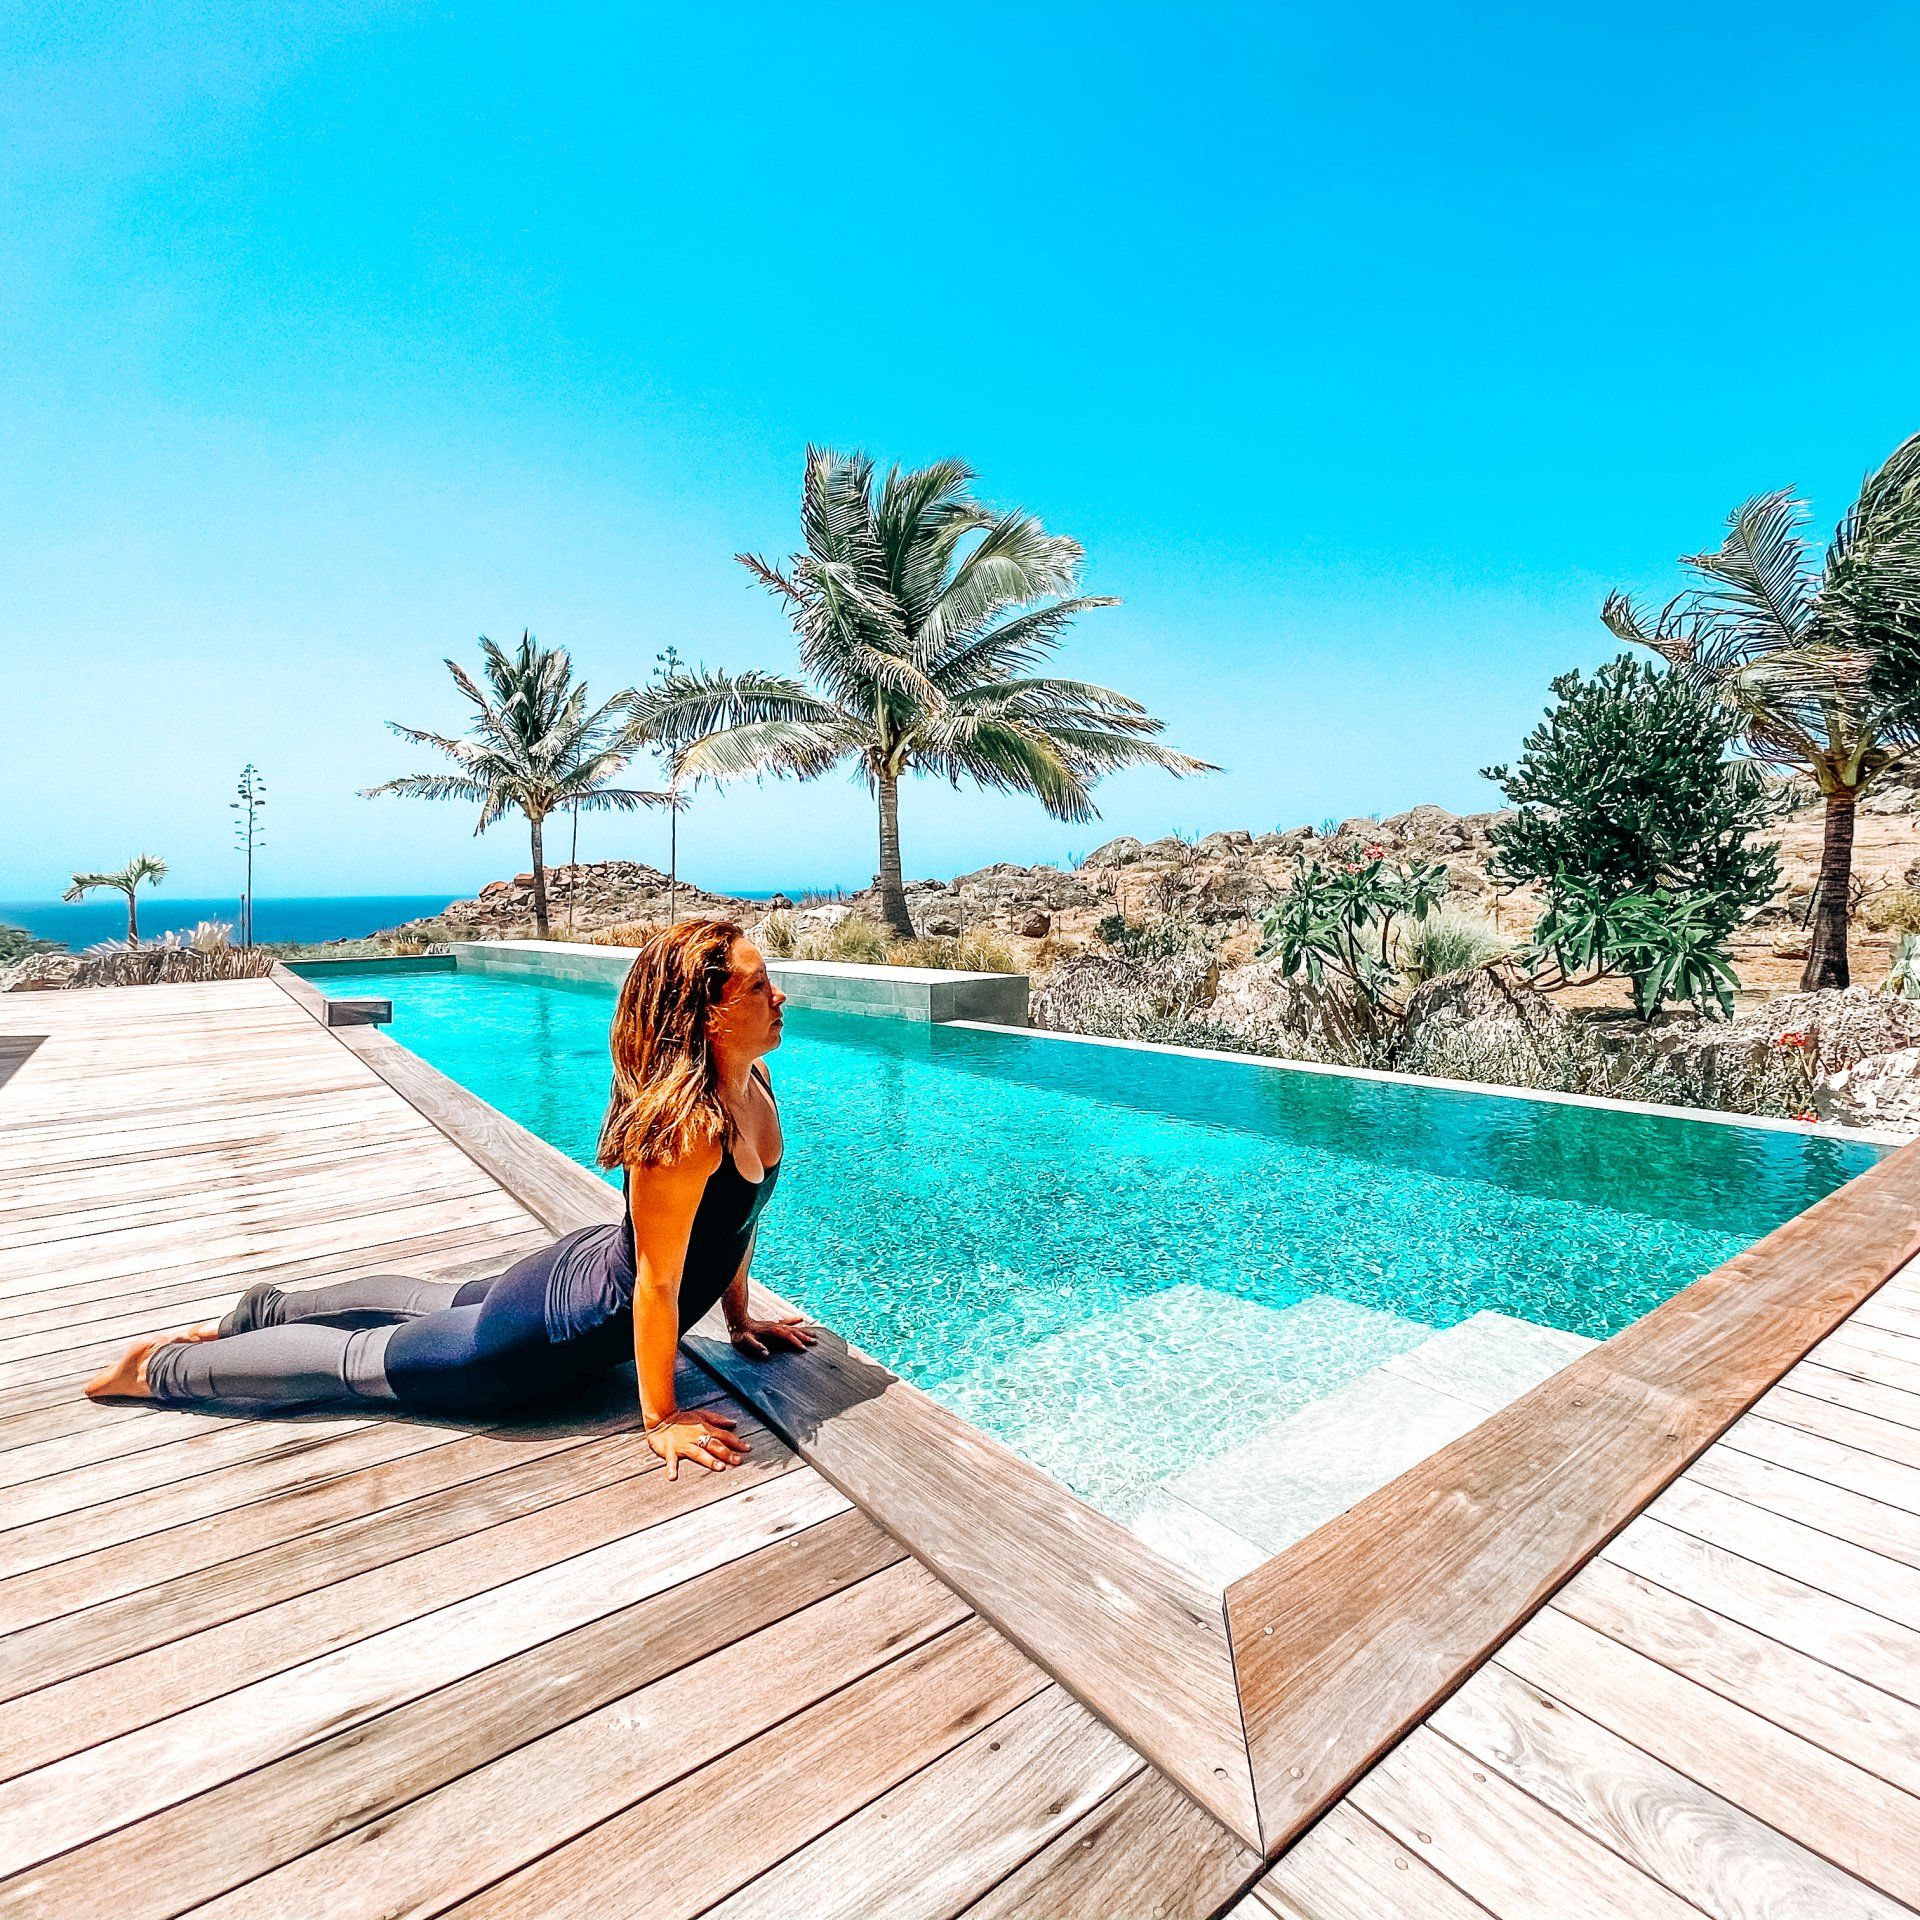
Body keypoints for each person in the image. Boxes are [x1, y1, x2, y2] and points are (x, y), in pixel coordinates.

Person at [84, 919, 815, 1479]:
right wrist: (660, 1418)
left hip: (578, 1272)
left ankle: (260, 1312)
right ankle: (157, 1370)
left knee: (432, 1300)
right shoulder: (687, 1132)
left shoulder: (752, 1082)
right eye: (758, 987)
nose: (777, 996)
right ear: (707, 1015)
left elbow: (734, 1222)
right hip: (551, 1333)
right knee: (359, 1362)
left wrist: (740, 1317)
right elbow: (657, 1283)